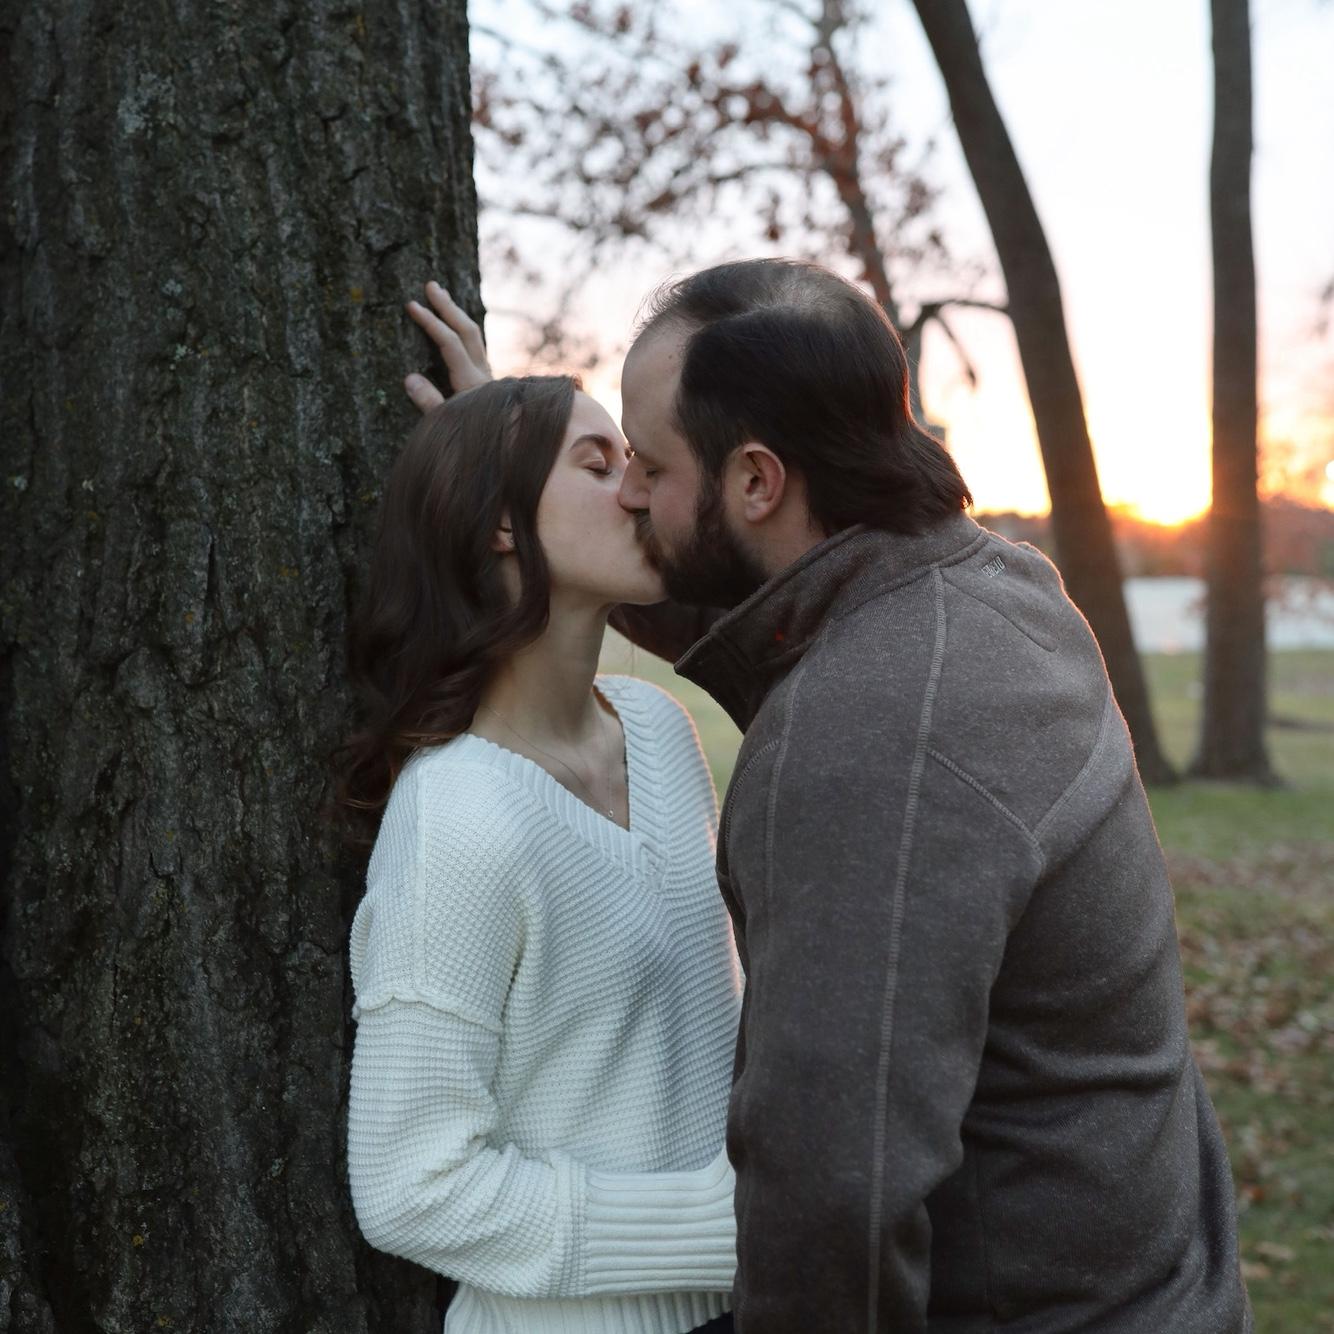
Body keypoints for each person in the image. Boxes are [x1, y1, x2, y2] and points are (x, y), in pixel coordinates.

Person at [404, 260, 1251, 1333]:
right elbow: (745, 601)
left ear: (756, 481)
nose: (624, 490)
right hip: (1159, 1283)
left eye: (647, 465)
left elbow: (829, 1208)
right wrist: (524, 475)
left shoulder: (863, 739)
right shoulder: (987, 586)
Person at [338, 366, 742, 1333]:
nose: (638, 488)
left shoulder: (660, 730)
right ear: (500, 525)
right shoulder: (458, 815)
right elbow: (410, 1183)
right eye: (598, 465)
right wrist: (724, 1229)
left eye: (634, 462)